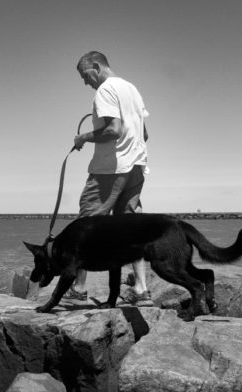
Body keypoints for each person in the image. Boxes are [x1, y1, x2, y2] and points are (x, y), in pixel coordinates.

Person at [65, 51, 152, 306]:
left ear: (95, 66)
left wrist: (83, 138)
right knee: (130, 229)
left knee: (85, 226)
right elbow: (144, 134)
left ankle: (79, 289)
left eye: (85, 75)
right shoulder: (132, 89)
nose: (85, 82)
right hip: (137, 166)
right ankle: (141, 291)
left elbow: (113, 130)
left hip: (109, 171)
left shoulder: (104, 90)